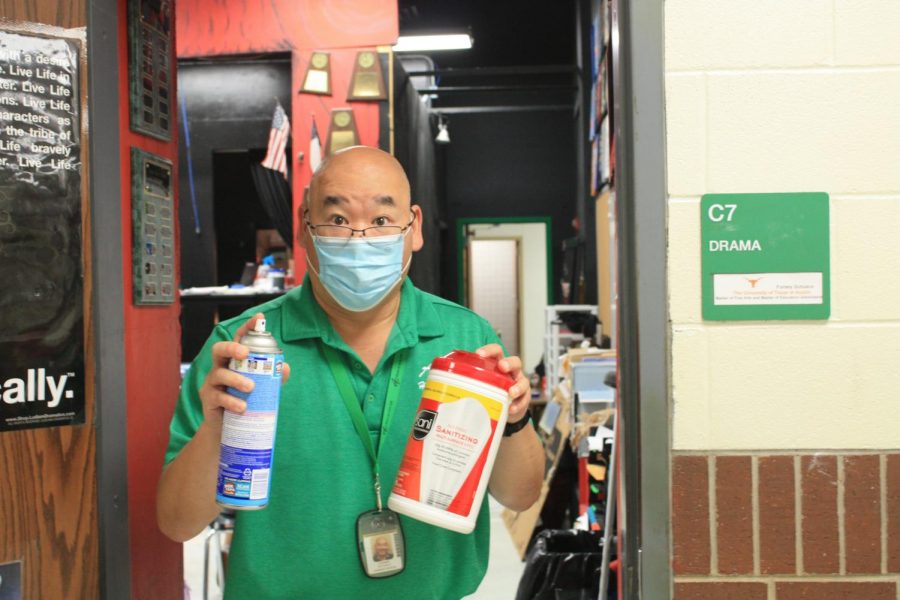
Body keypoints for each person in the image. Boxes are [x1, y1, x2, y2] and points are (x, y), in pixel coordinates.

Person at [157, 146, 544, 599]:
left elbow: (520, 496)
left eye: (382, 221)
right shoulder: (242, 349)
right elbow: (178, 522)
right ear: (304, 225)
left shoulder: (465, 339)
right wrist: (217, 431)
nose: (359, 238)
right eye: (337, 219)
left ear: (414, 227)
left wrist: (514, 418)